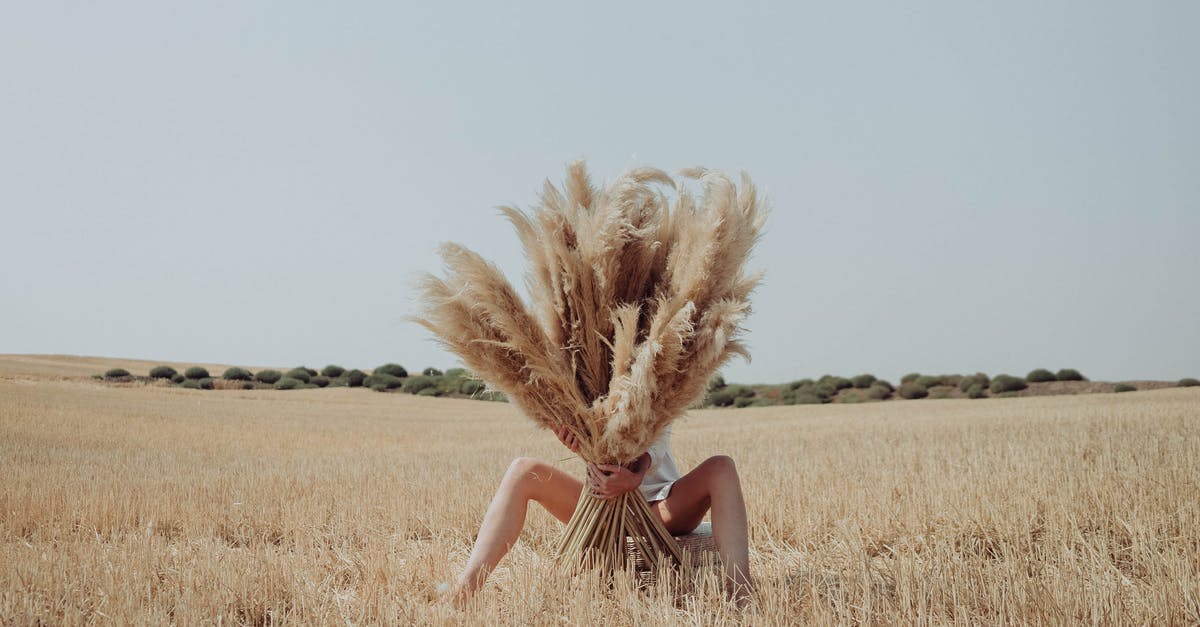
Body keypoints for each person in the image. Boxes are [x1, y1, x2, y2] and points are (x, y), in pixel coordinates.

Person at [445, 425, 752, 604]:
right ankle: (465, 589)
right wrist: (578, 442)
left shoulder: (652, 359)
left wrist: (636, 472)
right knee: (523, 470)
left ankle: (741, 593)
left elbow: (661, 430)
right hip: (601, 503)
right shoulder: (583, 365)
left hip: (661, 506)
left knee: (721, 466)